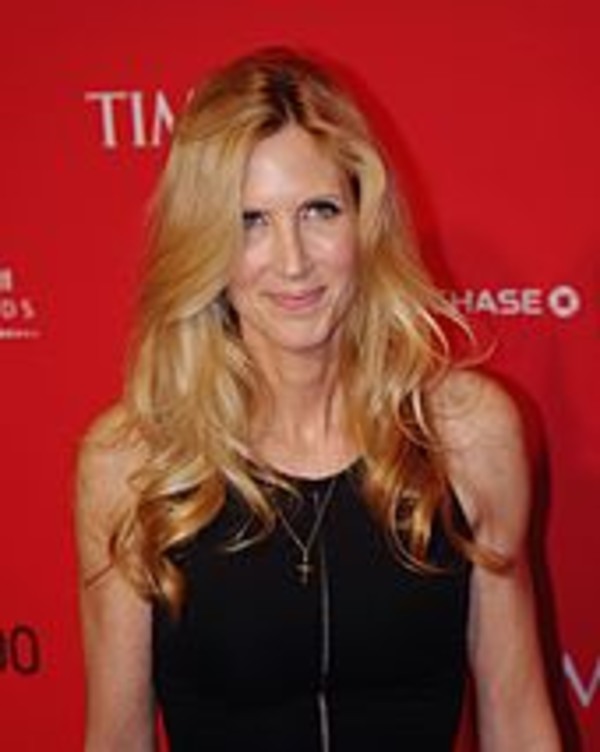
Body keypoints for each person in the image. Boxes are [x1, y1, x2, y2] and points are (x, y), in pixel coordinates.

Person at [75, 47, 561, 751]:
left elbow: (517, 722)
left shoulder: (468, 434)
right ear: (204, 242)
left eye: (319, 211)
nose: (293, 260)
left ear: (364, 219)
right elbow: (117, 741)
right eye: (251, 221)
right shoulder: (131, 464)